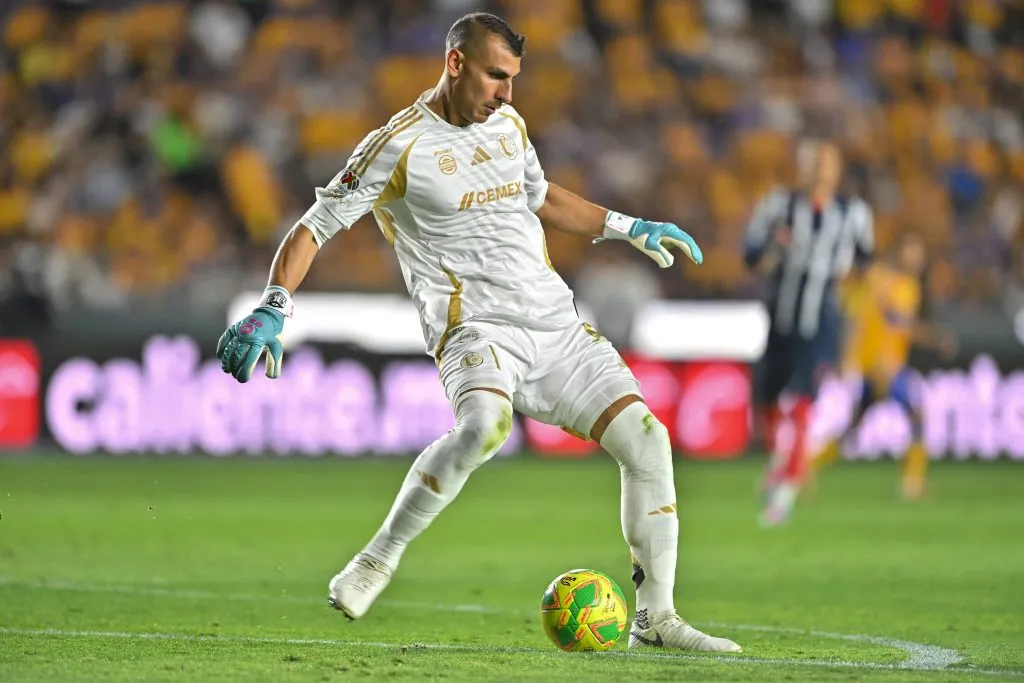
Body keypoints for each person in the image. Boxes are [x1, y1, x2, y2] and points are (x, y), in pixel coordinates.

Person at [215, 12, 740, 654]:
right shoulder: (398, 146)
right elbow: (315, 226)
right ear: (456, 63)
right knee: (483, 426)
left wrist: (630, 227)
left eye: (514, 78)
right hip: (476, 330)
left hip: (557, 327)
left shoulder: (510, 125)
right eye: (497, 76)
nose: (508, 93)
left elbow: (541, 197)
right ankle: (376, 561)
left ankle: (655, 620)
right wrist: (275, 305)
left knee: (648, 442)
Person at [744, 140, 875, 527]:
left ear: (837, 170)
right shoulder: (779, 205)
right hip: (780, 313)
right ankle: (783, 461)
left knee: (802, 400)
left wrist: (851, 306)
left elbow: (866, 263)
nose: (820, 168)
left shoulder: (853, 213)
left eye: (827, 162)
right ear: (801, 167)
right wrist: (775, 251)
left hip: (822, 318)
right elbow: (751, 255)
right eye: (814, 161)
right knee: (768, 396)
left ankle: (785, 493)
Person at [811, 233, 956, 499]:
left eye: (920, 253)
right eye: (913, 251)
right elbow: (894, 321)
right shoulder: (892, 283)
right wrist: (935, 339)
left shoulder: (892, 281)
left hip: (877, 364)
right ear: (900, 252)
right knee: (917, 414)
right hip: (884, 365)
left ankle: (808, 468)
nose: (917, 258)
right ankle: (912, 482)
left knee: (854, 424)